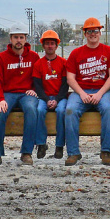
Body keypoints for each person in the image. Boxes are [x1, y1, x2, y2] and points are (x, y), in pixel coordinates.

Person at [64, 17, 110, 166]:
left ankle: (106, 151)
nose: (92, 34)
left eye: (95, 31)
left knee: (108, 109)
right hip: (80, 91)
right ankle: (73, 152)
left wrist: (99, 93)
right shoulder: (76, 53)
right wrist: (81, 93)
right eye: (89, 31)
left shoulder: (109, 51)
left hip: (103, 91)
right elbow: (70, 78)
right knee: (70, 110)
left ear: (100, 33)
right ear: (85, 34)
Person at [0, 26, 41, 167]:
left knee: (31, 109)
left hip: (27, 93)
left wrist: (35, 90)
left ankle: (26, 152)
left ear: (25, 39)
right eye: (16, 37)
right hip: (8, 93)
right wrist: (0, 99)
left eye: (21, 37)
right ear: (11, 39)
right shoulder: (2, 57)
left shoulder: (34, 57)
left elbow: (39, 78)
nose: (18, 40)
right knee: (0, 112)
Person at [30, 30, 69, 159]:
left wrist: (57, 99)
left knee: (61, 111)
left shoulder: (63, 62)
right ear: (43, 45)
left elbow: (65, 85)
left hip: (60, 97)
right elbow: (38, 86)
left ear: (57, 46)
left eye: (52, 43)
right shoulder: (38, 64)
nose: (50, 46)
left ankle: (59, 146)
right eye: (47, 43)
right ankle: (41, 144)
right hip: (44, 97)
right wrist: (47, 100)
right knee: (39, 110)